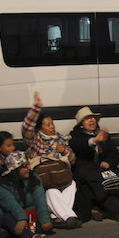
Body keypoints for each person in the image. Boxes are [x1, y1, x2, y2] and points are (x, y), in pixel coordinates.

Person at [70, 107, 119, 224]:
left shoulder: (102, 134)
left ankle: (98, 209)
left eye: (92, 118)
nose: (91, 121)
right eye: (87, 119)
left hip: (103, 172)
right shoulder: (76, 136)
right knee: (100, 192)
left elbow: (114, 153)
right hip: (87, 174)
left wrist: (108, 162)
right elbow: (80, 146)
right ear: (81, 124)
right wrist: (95, 140)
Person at [22, 92, 81, 229]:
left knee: (71, 184)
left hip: (60, 174)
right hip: (44, 176)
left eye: (52, 124)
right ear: (40, 127)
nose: (52, 127)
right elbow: (26, 128)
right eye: (48, 125)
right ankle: (69, 217)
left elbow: (72, 159)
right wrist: (36, 108)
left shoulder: (61, 139)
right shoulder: (35, 140)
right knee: (51, 192)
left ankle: (56, 217)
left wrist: (64, 150)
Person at [0, 151, 53, 238]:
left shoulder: (34, 178)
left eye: (28, 164)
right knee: (9, 219)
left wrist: (45, 219)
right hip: (12, 215)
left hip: (30, 214)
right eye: (25, 166)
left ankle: (9, 233)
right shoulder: (2, 186)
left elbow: (40, 200)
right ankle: (30, 237)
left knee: (47, 223)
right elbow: (12, 205)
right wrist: (21, 218)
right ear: (16, 169)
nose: (29, 168)